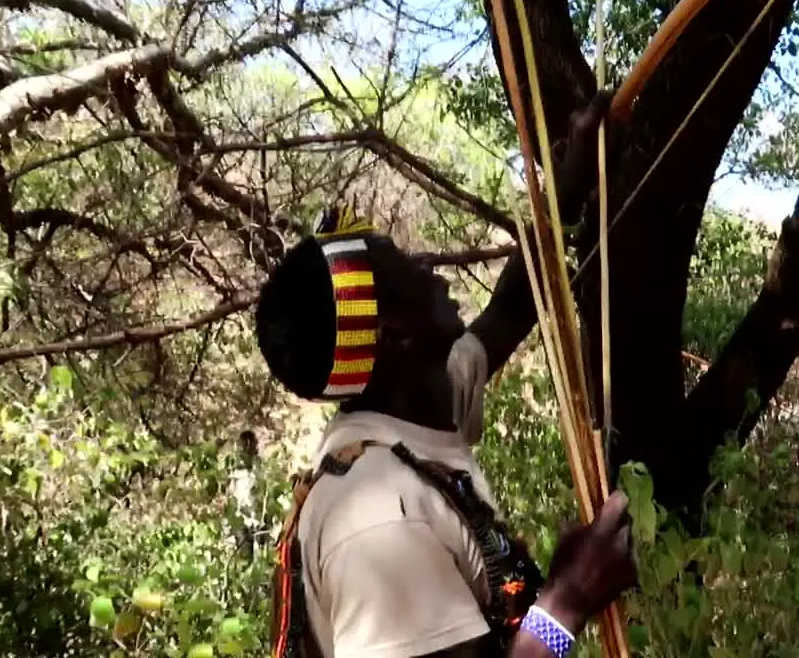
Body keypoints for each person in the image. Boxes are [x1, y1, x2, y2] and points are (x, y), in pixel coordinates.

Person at [255, 93, 635, 658]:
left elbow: (510, 308)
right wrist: (565, 603)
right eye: (406, 267)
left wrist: (565, 188)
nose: (430, 267)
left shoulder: (411, 409)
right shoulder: (379, 517)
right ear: (397, 336)